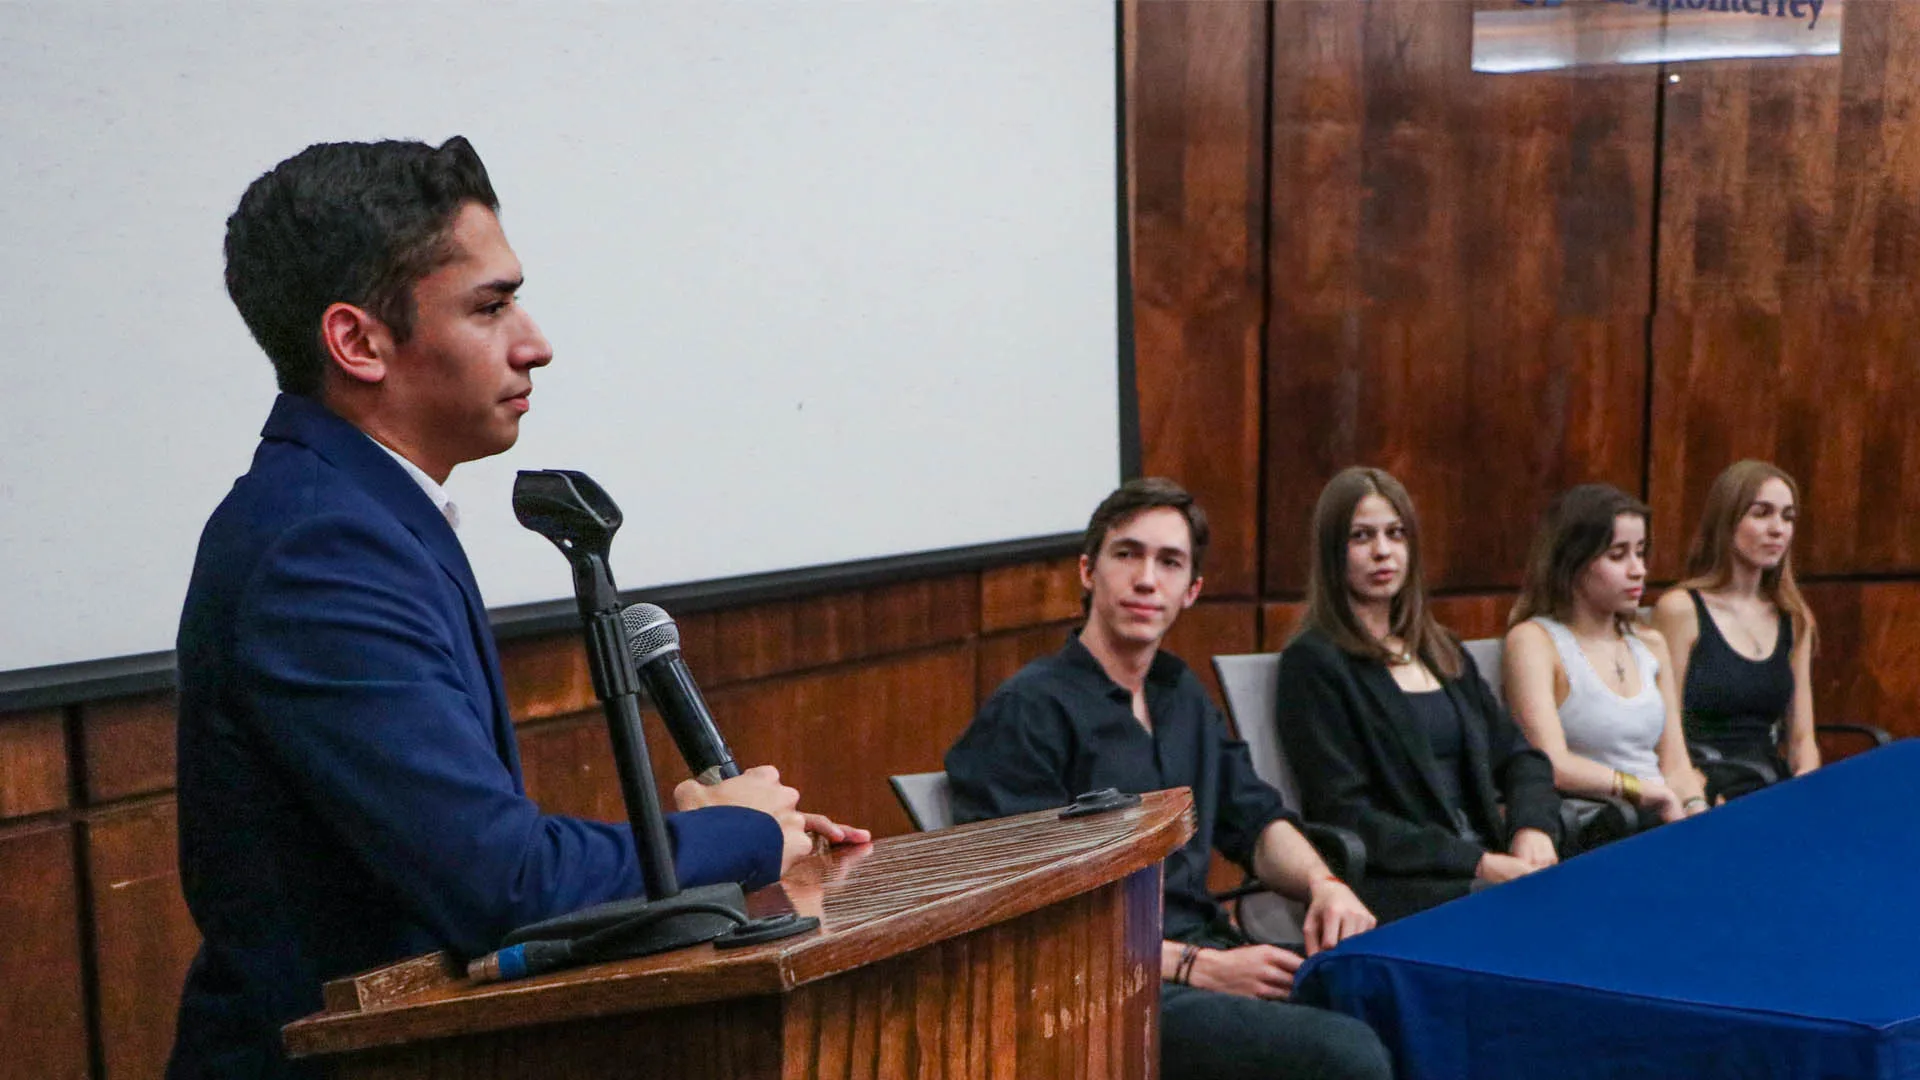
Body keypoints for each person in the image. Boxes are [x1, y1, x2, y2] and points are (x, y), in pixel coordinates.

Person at [170, 138, 866, 1080]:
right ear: (357, 343)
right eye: (490, 307)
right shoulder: (319, 546)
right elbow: (502, 883)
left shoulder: (357, 509)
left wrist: (701, 848)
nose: (534, 342)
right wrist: (741, 833)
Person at [946, 478, 1391, 1080]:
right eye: (1127, 554)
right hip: (1104, 989)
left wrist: (1324, 882)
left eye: (1169, 562)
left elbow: (1255, 820)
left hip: (1207, 953)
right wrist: (1194, 967)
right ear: (1088, 571)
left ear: (1191, 591)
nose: (1146, 578)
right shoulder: (1029, 710)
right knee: (1347, 1056)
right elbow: (1028, 916)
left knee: (1393, 996)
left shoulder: (1181, 694)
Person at [1276, 467, 1564, 924]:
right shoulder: (1314, 663)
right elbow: (1346, 813)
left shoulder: (1441, 648)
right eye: (1361, 537)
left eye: (1396, 534)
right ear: (1333, 553)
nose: (1382, 551)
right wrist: (1477, 862)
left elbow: (1520, 756)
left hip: (1488, 858)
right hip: (1402, 880)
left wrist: (1532, 826)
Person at [1504, 483, 1708, 840]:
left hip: (1661, 817)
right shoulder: (1535, 641)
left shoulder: (1650, 643)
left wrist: (1696, 812)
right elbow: (1551, 763)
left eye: (1641, 552)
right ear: (1573, 562)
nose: (1638, 570)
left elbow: (1676, 763)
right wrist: (1644, 790)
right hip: (1600, 824)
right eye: (1618, 555)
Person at [1651, 460, 1819, 795]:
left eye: (1787, 517)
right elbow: (1663, 733)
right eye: (1762, 513)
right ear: (1726, 521)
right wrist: (1690, 794)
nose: (1778, 529)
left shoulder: (1794, 617)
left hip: (1768, 785)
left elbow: (1803, 740)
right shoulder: (1681, 609)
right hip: (1701, 784)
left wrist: (1805, 791)